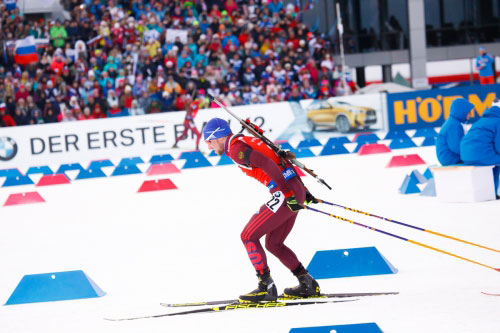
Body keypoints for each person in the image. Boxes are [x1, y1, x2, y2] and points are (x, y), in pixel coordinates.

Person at [203, 117, 320, 303]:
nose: (208, 146)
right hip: (292, 190)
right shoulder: (243, 141)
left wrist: (289, 194)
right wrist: (302, 190)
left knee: (248, 236)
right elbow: (281, 158)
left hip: (285, 193)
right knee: (274, 244)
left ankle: (266, 287)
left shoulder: (235, 149)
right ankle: (306, 282)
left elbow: (267, 163)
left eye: (208, 141)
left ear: (217, 136)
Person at [460, 99, 500, 197]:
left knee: (494, 161)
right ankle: (492, 193)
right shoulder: (498, 122)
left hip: (465, 156)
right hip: (480, 155)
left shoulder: (480, 121)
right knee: (497, 162)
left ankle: (490, 191)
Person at [436, 98, 474, 166]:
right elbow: (456, 147)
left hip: (451, 158)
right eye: (468, 112)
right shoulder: (454, 125)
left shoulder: (453, 122)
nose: (470, 114)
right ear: (462, 111)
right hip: (451, 160)